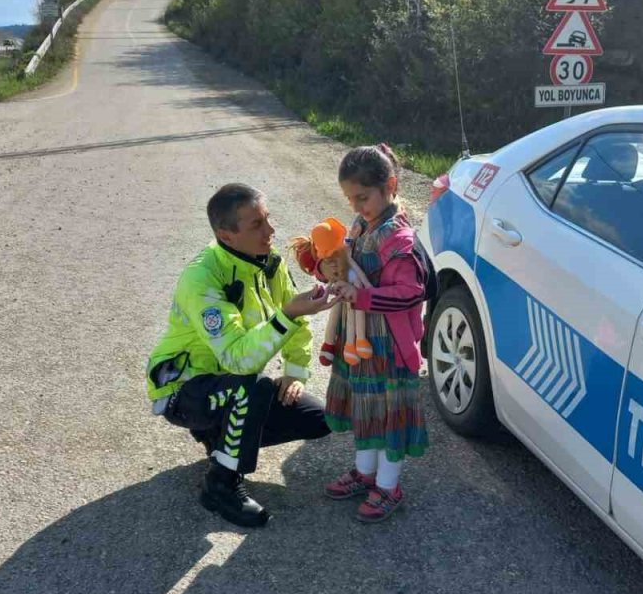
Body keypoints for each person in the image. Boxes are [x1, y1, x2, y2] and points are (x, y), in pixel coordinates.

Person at [145, 183, 334, 528]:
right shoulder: (202, 279)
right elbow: (238, 359)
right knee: (252, 387)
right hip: (185, 391)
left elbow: (297, 315)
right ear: (227, 236)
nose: (270, 231)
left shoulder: (269, 263)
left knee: (320, 418)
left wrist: (294, 371)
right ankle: (221, 484)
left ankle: (221, 440)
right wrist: (287, 316)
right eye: (256, 225)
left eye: (268, 219)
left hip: (231, 385)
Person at [321, 144, 430, 523]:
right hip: (362, 344)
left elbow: (410, 293)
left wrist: (362, 295)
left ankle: (388, 486)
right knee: (367, 412)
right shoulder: (361, 225)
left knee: (389, 421)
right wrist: (330, 269)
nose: (356, 206)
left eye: (363, 197)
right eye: (350, 198)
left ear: (391, 186)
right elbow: (348, 262)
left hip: (390, 347)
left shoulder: (398, 238)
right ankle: (365, 474)